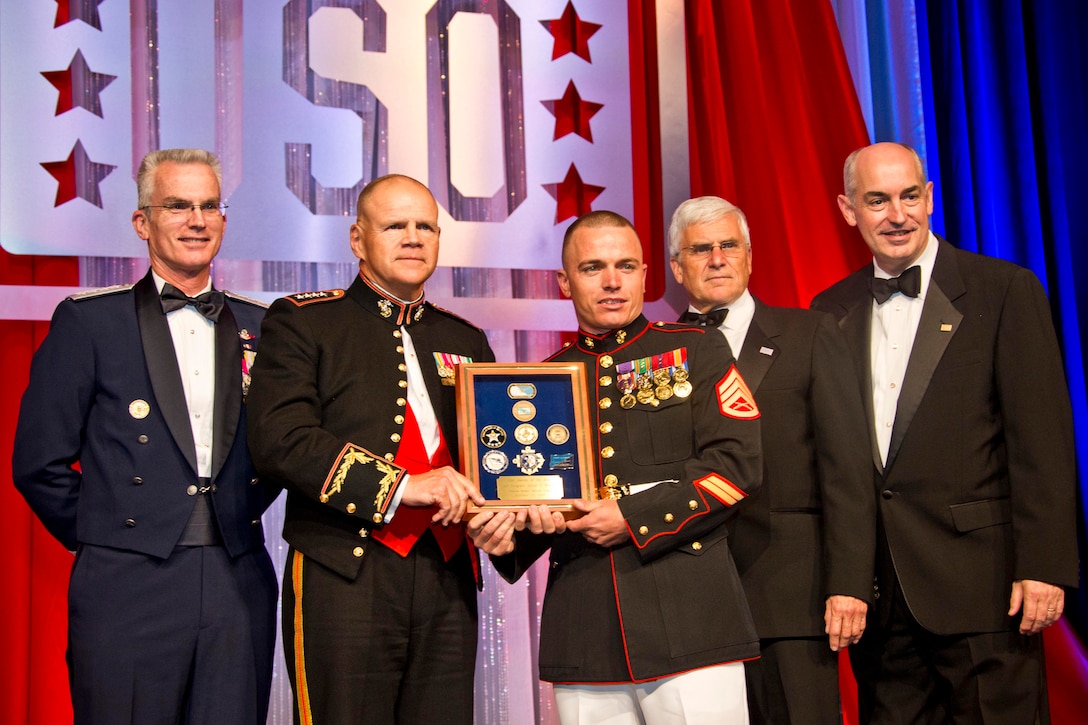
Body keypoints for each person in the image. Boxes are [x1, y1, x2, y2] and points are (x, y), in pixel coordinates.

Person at [811, 142, 1079, 723]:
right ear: (847, 209)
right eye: (877, 201)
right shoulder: (829, 309)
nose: (898, 214)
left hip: (985, 590)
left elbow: (1043, 443)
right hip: (882, 605)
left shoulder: (1002, 291)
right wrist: (846, 578)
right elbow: (838, 463)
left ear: (930, 198)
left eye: (910, 196)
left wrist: (1045, 566)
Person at [12, 148, 278, 724]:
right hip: (126, 581)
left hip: (239, 576)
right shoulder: (88, 321)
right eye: (177, 206)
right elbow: (39, 462)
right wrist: (115, 532)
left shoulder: (265, 327)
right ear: (142, 223)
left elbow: (286, 447)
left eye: (210, 205)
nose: (197, 220)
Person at [469, 210, 763, 723]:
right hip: (585, 627)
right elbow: (536, 505)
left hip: (691, 618)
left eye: (626, 266)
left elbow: (736, 467)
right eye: (592, 268)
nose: (611, 281)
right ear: (564, 281)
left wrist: (631, 516)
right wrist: (505, 534)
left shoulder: (695, 349)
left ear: (645, 276)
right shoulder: (542, 382)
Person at [246, 174, 494, 724]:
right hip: (345, 572)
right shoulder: (305, 320)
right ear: (358, 239)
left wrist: (514, 514)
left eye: (425, 226)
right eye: (395, 226)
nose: (413, 237)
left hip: (448, 577)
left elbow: (494, 456)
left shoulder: (466, 339)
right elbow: (280, 440)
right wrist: (404, 485)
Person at [668, 195, 874, 723]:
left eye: (728, 245)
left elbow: (847, 469)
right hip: (689, 600)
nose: (716, 258)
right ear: (676, 267)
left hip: (793, 599)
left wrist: (848, 583)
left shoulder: (809, 335)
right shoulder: (653, 354)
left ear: (749, 257)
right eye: (699, 249)